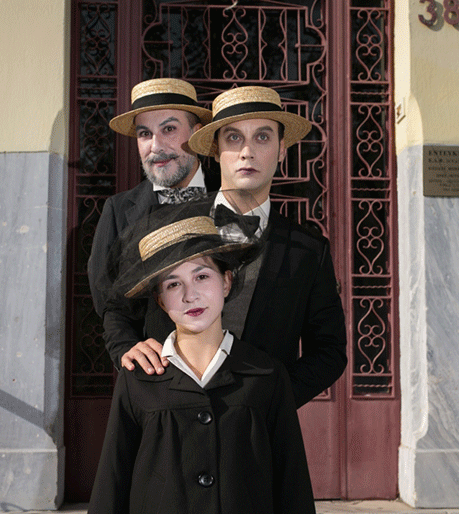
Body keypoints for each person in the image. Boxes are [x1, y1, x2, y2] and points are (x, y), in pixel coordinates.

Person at [114, 85, 348, 407]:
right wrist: (126, 347)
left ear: (282, 150)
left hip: (260, 431)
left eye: (262, 137)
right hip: (166, 418)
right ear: (215, 149)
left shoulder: (309, 250)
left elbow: (329, 351)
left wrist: (275, 399)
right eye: (234, 138)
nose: (247, 152)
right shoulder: (160, 225)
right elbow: (117, 308)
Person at [88, 202, 316, 514]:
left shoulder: (266, 375)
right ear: (160, 300)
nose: (189, 295)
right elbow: (112, 482)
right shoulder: (138, 379)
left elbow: (293, 486)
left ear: (227, 281)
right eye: (173, 284)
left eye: (202, 276)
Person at [87, 77, 214, 373]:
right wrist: (126, 347)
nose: (155, 146)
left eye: (169, 129)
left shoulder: (232, 199)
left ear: (196, 133)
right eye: (145, 134)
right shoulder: (118, 211)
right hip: (155, 381)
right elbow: (109, 303)